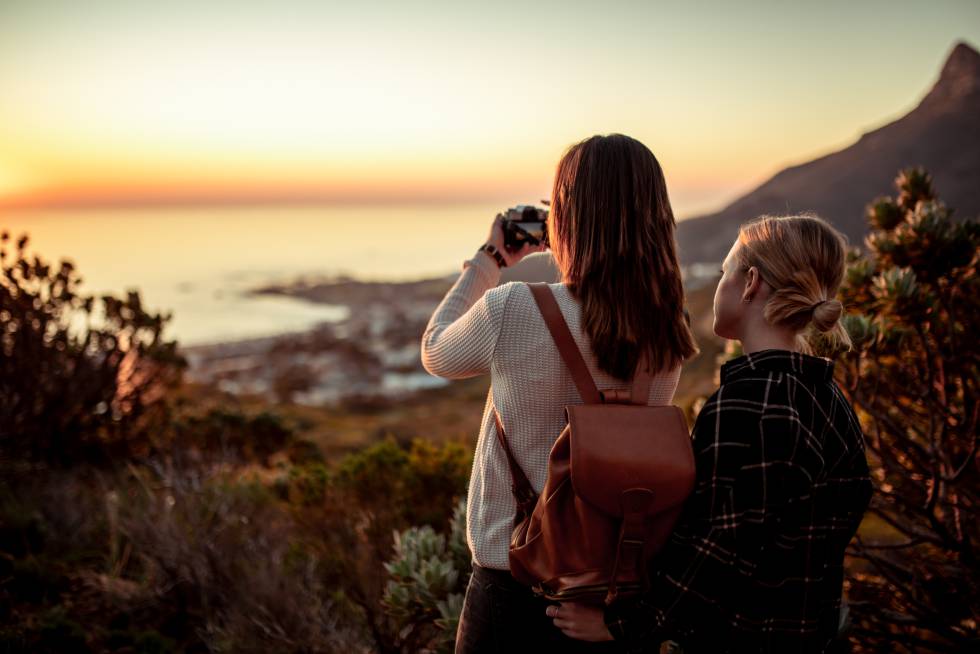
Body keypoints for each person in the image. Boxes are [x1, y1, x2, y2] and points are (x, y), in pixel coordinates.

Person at [421, 133, 698, 653]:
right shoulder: (670, 330)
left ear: (564, 217)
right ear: (657, 216)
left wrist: (488, 259)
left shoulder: (512, 309)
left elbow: (435, 351)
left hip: (511, 580)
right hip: (607, 591)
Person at [553, 214, 874, 653]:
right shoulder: (830, 398)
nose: (720, 284)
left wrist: (622, 625)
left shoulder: (748, 403)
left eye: (726, 272)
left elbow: (714, 551)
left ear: (751, 283)